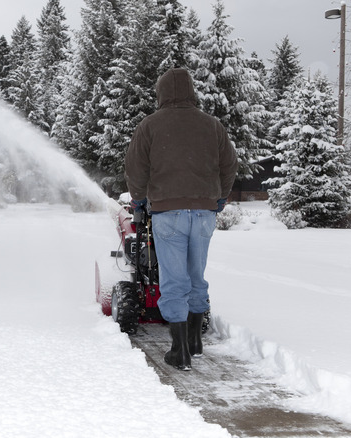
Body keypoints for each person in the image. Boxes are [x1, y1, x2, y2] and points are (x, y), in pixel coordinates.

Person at [124, 67, 238, 371]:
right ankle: (195, 340)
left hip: (167, 212)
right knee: (195, 275)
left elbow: (136, 169)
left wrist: (137, 199)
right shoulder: (212, 125)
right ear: (191, 91)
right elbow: (229, 165)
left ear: (162, 93)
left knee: (174, 280)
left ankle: (179, 350)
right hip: (204, 212)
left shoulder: (150, 125)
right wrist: (220, 198)